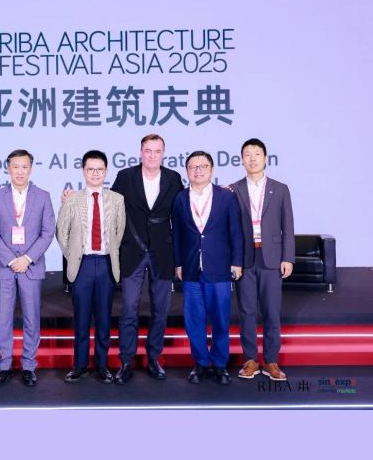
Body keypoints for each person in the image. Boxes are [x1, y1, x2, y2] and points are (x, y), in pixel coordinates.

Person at [110, 133, 183, 384]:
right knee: (129, 309)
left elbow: (183, 211)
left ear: (163, 153)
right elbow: (110, 207)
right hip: (133, 250)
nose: (152, 155)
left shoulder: (173, 178)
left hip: (163, 251)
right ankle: (126, 361)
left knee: (160, 309)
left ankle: (154, 358)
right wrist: (75, 199)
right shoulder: (125, 177)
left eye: (157, 151)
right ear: (140, 152)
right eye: (148, 151)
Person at [172, 151, 244, 385]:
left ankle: (220, 364)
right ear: (187, 171)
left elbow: (235, 231)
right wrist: (178, 263)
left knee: (221, 319)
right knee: (194, 320)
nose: (198, 170)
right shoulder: (180, 198)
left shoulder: (226, 197)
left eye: (203, 166)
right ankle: (201, 363)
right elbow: (177, 234)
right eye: (193, 167)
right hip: (191, 268)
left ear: (212, 170)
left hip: (220, 267)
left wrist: (237, 262)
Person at [0, 149, 55, 387]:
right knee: (4, 318)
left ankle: (29, 366)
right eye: (15, 166)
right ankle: (4, 365)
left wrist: (27, 258)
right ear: (8, 168)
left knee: (32, 318)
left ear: (31, 169)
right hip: (5, 267)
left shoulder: (43, 196)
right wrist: (11, 260)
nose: (20, 171)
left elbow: (48, 232)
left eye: (24, 167)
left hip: (31, 267)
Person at [56, 150, 126, 383]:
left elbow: (119, 231)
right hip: (82, 264)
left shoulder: (117, 199)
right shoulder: (72, 198)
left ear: (106, 171)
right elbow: (61, 232)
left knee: (104, 319)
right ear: (83, 171)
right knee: (82, 318)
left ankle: (102, 366)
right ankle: (79, 365)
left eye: (99, 169)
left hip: (106, 263)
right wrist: (73, 256)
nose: (95, 173)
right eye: (90, 169)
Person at [231, 138, 295, 381]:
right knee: (247, 311)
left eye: (257, 154)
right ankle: (250, 360)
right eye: (247, 154)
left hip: (272, 257)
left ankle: (271, 361)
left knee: (271, 312)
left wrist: (287, 257)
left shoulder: (280, 189)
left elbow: (288, 226)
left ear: (265, 158)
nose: (252, 158)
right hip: (245, 258)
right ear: (242, 160)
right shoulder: (233, 189)